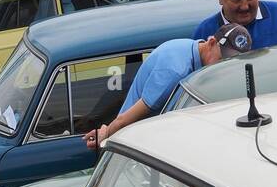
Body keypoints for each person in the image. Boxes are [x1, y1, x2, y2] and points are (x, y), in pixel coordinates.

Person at [85, 24, 253, 149]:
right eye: (222, 58)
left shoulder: (188, 47)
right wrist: (106, 136)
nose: (223, 65)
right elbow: (126, 119)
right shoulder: (175, 70)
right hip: (137, 145)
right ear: (211, 42)